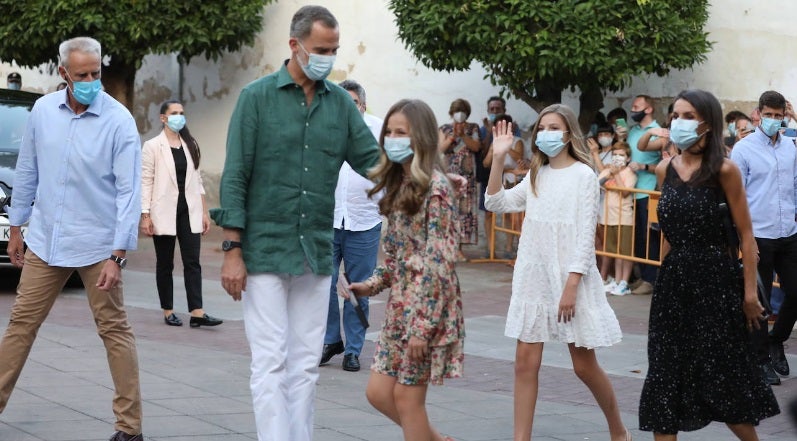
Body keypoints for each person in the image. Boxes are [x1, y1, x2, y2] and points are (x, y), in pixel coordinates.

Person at [208, 6, 382, 441]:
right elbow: (235, 176)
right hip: (264, 250)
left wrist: (423, 174)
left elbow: (373, 162)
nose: (329, 57)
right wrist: (232, 251)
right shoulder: (256, 98)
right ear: (295, 45)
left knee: (305, 363)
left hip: (316, 252)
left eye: (334, 49)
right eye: (322, 49)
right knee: (269, 360)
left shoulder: (341, 105)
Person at [0, 37, 144, 441]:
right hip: (46, 241)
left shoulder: (118, 120)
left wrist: (118, 256)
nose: (90, 81)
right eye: (81, 75)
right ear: (63, 73)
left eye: (95, 73)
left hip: (99, 246)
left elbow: (130, 192)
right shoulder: (44, 111)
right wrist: (16, 227)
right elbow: (28, 170)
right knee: (20, 326)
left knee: (114, 330)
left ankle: (130, 429)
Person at [639, 88, 779, 439]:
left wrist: (749, 295)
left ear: (707, 123)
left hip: (716, 284)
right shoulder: (663, 170)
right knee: (665, 377)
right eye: (676, 116)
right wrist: (661, 283)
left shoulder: (724, 170)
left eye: (688, 117)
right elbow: (667, 235)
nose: (679, 123)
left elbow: (747, 236)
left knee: (724, 379)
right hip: (674, 287)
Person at [485, 104, 629, 441]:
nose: (547, 133)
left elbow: (584, 235)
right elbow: (495, 203)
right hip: (533, 275)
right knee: (524, 362)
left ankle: (618, 430)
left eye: (554, 127)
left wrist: (571, 284)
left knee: (583, 366)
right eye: (542, 128)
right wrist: (498, 158)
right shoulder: (537, 174)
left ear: (568, 134)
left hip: (570, 277)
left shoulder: (583, 176)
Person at [345, 98, 464, 441]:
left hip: (428, 307)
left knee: (407, 399)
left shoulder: (436, 189)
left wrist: (422, 329)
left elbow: (439, 265)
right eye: (390, 132)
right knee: (379, 393)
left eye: (403, 133)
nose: (394, 139)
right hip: (401, 306)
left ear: (421, 138)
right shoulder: (399, 184)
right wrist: (372, 284)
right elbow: (397, 257)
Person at [731, 90, 797, 386]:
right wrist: (743, 238)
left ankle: (775, 340)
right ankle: (759, 361)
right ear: (758, 114)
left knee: (795, 292)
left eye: (778, 115)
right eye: (767, 115)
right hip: (757, 234)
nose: (772, 120)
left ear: (785, 115)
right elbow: (737, 195)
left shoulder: (791, 148)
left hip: (789, 232)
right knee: (758, 300)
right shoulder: (743, 149)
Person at [140, 100, 222, 328]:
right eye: (174, 113)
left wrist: (204, 213)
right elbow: (146, 181)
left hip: (189, 210)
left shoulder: (190, 144)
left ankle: (197, 311)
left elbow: (198, 181)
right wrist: (145, 215)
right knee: (165, 263)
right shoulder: (153, 146)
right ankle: (168, 310)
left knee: (192, 261)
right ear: (163, 118)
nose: (179, 117)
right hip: (163, 212)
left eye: (182, 113)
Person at [320, 79, 383, 372]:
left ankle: (354, 349)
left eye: (353, 103)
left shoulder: (378, 130)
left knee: (359, 289)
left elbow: (390, 171)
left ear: (363, 105)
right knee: (324, 283)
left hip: (364, 222)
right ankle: (332, 340)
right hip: (327, 220)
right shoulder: (324, 128)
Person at [627, 95, 662, 295]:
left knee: (650, 238)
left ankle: (650, 279)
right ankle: (640, 277)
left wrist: (644, 166)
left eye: (636, 106)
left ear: (648, 109)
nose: (633, 110)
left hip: (648, 190)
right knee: (638, 238)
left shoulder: (658, 133)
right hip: (630, 191)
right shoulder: (633, 131)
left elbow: (665, 164)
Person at [440, 98, 481, 260]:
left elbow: (476, 147)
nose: (459, 115)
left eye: (462, 111)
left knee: (465, 212)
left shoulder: (473, 128)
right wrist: (452, 137)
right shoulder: (444, 129)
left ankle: (459, 248)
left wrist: (463, 135)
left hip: (467, 177)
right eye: (457, 111)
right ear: (451, 113)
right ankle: (447, 246)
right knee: (448, 210)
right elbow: (440, 149)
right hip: (449, 176)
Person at [599, 142, 637, 296]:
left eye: (621, 155)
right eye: (615, 155)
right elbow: (598, 183)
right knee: (615, 252)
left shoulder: (630, 173)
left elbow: (625, 192)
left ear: (628, 159)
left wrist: (616, 175)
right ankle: (616, 280)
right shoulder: (608, 170)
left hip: (624, 217)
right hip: (609, 217)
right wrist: (610, 173)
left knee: (625, 252)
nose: (617, 158)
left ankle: (624, 283)